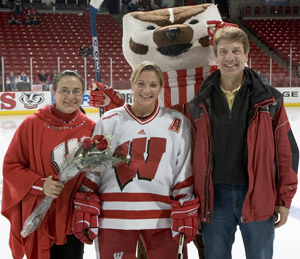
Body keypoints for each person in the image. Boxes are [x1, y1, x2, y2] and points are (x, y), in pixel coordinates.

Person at [189, 26, 299, 259]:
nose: (230, 57)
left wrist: (284, 199)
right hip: (214, 198)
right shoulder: (199, 103)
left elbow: (287, 152)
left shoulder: (270, 100)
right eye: (224, 51)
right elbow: (188, 156)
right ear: (215, 56)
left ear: (247, 55)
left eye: (236, 51)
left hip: (259, 195)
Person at [89, 61, 199, 258]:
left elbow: (183, 169)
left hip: (162, 217)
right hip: (115, 216)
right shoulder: (108, 120)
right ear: (131, 84)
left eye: (153, 85)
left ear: (160, 88)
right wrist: (86, 197)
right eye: (140, 83)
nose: (146, 90)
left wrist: (184, 202)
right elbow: (94, 168)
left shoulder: (177, 122)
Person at [1, 70, 99, 259]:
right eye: (64, 90)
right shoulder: (32, 125)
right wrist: (40, 184)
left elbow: (97, 172)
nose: (71, 96)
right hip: (40, 217)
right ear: (53, 93)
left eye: (77, 91)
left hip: (73, 217)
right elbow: (11, 166)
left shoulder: (91, 128)